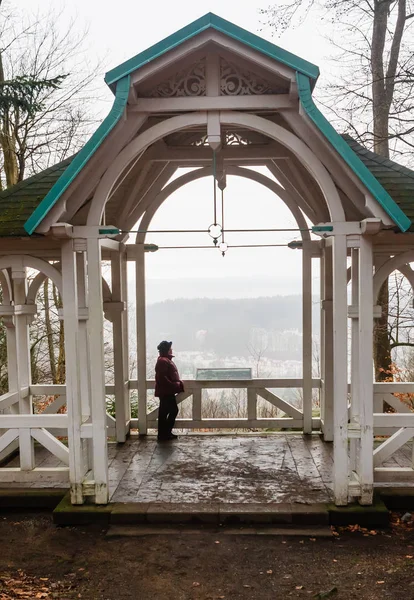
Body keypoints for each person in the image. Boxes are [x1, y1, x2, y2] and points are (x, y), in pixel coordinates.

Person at [155, 341, 184, 441]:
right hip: (166, 392)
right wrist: (174, 385)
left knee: (164, 412)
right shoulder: (163, 361)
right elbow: (162, 378)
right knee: (172, 411)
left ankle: (164, 434)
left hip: (165, 391)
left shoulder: (163, 360)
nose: (172, 349)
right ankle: (165, 433)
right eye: (170, 348)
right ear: (167, 350)